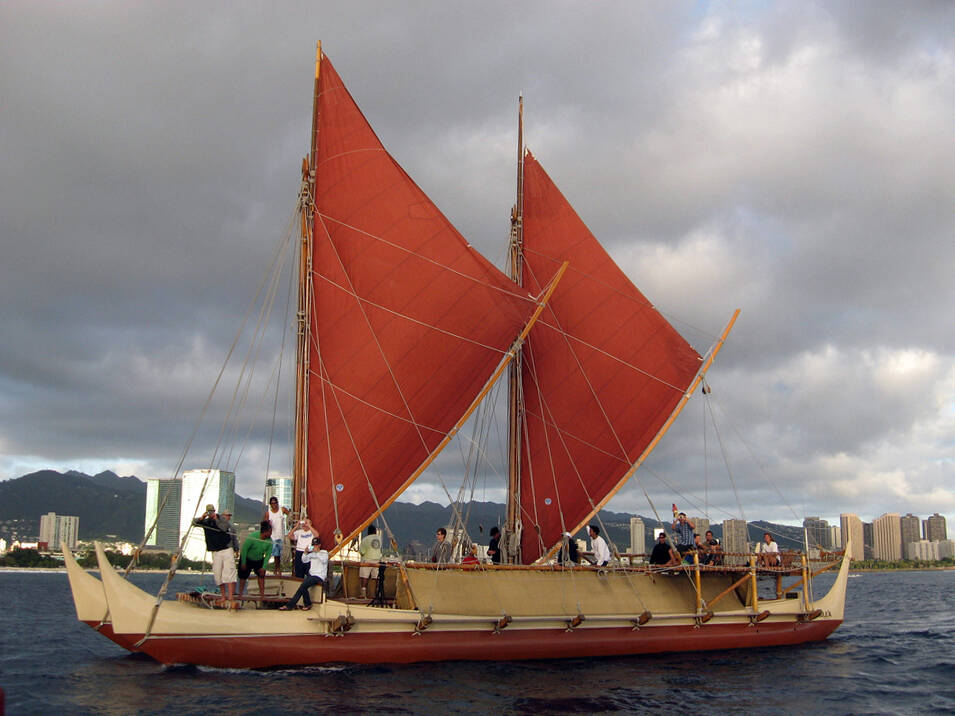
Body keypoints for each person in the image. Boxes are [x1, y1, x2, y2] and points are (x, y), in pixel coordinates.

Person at [193, 504, 239, 603]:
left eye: (212, 511)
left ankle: (230, 596)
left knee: (229, 571)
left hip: (226, 548)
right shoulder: (205, 522)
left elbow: (223, 528)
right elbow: (193, 523)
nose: (211, 513)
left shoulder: (221, 519)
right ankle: (223, 596)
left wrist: (215, 519)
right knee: (218, 574)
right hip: (215, 551)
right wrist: (202, 517)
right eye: (209, 511)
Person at [280, 536, 329, 611]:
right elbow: (304, 560)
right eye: (313, 545)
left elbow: (324, 561)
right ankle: (307, 604)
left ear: (319, 545)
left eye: (316, 545)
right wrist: (305, 552)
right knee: (303, 585)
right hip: (311, 575)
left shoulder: (324, 553)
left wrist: (317, 552)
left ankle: (290, 605)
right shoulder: (312, 554)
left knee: (303, 585)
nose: (315, 546)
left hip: (319, 575)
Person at [238, 521, 273, 597]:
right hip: (247, 558)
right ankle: (240, 594)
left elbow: (267, 555)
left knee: (261, 576)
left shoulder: (270, 541)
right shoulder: (253, 536)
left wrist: (263, 568)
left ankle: (262, 595)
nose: (271, 534)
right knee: (243, 577)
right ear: (265, 532)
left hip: (259, 559)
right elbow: (244, 549)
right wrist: (243, 562)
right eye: (270, 532)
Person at [263, 496, 290, 577]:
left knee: (284, 554)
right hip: (273, 537)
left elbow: (290, 515)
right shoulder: (268, 513)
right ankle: (277, 569)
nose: (274, 505)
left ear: (277, 503)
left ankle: (280, 568)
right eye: (272, 503)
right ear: (270, 504)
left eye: (275, 503)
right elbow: (265, 525)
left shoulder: (282, 510)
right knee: (276, 554)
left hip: (281, 535)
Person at [358, 525, 383, 598]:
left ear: (368, 532)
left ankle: (363, 594)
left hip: (367, 560)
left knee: (364, 576)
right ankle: (377, 593)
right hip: (377, 560)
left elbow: (362, 552)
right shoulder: (379, 539)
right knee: (376, 578)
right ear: (375, 531)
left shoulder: (365, 539)